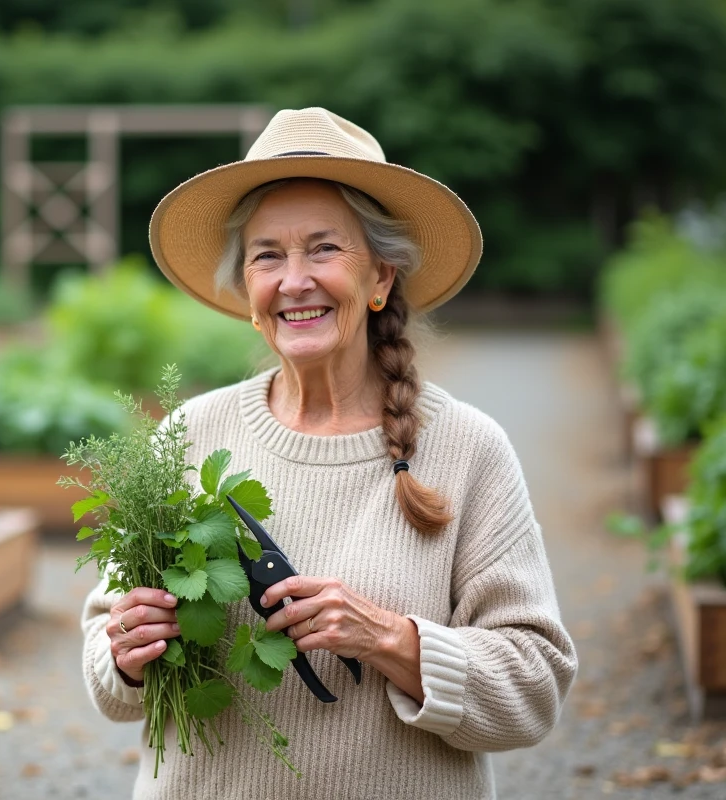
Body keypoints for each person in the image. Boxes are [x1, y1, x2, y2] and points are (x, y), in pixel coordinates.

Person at [79, 107, 577, 799]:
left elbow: (535, 686)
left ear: (380, 280)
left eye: (323, 249)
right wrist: (126, 653)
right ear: (248, 294)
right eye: (268, 256)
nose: (294, 280)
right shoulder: (191, 434)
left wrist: (391, 639)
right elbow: (108, 674)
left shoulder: (467, 449)